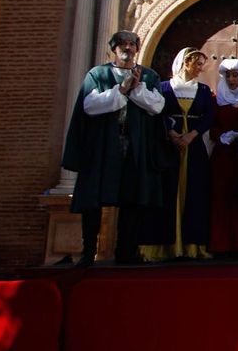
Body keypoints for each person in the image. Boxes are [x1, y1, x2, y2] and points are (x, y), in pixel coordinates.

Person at [62, 30, 167, 265]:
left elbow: (157, 105)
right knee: (94, 200)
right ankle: (88, 252)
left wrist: (137, 88)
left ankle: (126, 252)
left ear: (137, 49)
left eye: (131, 44)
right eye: (122, 44)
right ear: (114, 48)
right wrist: (120, 89)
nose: (127, 48)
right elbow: (90, 105)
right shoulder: (98, 74)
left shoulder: (149, 76)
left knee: (131, 200)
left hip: (134, 147)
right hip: (103, 148)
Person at [140, 47, 216, 261]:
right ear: (186, 62)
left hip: (194, 147)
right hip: (168, 147)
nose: (201, 69)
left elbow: (209, 116)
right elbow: (157, 113)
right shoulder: (163, 88)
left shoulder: (203, 90)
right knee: (166, 192)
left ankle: (192, 245)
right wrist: (172, 134)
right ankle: (162, 247)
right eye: (197, 63)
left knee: (194, 192)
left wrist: (191, 135)